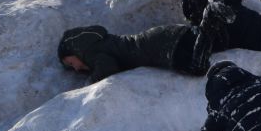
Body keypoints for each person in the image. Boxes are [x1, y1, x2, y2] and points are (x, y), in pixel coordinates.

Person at [57, 23, 206, 82]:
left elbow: (107, 67)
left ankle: (210, 18)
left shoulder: (91, 51)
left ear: (75, 51)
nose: (75, 68)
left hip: (163, 45)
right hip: (164, 40)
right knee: (208, 45)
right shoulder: (99, 45)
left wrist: (90, 81)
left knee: (198, 66)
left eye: (71, 63)